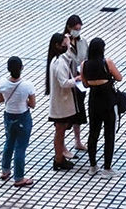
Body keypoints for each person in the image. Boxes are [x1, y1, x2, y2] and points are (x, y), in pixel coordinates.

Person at [81, 38, 123, 178]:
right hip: (108, 100)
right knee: (109, 133)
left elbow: (85, 84)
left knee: (93, 132)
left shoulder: (84, 64)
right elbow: (119, 77)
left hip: (93, 100)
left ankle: (92, 165)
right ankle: (107, 167)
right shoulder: (107, 62)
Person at [0, 56, 36, 186]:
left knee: (9, 143)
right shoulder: (27, 85)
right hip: (22, 117)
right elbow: (33, 104)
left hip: (8, 115)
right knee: (20, 147)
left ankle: (5, 170)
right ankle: (19, 177)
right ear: (22, 68)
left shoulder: (2, 82)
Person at [46, 33, 79, 171]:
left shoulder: (59, 59)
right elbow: (64, 82)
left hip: (61, 103)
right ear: (59, 45)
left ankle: (59, 157)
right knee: (60, 131)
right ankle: (58, 159)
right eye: (66, 41)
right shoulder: (59, 62)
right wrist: (77, 80)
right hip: (61, 104)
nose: (69, 43)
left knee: (61, 130)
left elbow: (71, 52)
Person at [65, 16, 89, 155]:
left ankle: (78, 140)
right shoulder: (62, 42)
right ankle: (62, 146)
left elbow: (85, 58)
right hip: (67, 82)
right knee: (65, 115)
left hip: (80, 82)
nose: (78, 32)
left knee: (79, 111)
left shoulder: (82, 41)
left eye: (80, 29)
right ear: (69, 28)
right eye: (75, 29)